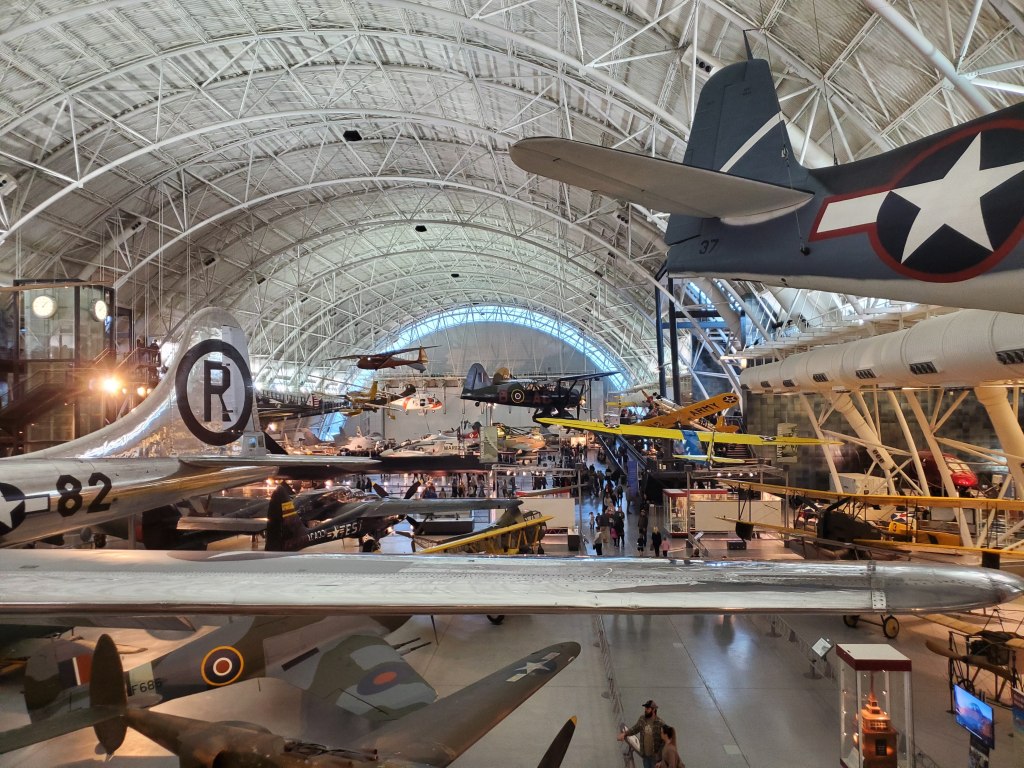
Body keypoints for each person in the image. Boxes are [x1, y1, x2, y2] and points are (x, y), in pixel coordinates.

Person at [618, 699, 665, 768]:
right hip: (645, 756)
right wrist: (625, 734)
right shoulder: (642, 719)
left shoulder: (660, 723)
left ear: (654, 710)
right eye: (645, 708)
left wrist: (661, 760)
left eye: (648, 708)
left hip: (655, 759)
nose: (645, 710)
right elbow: (635, 729)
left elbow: (665, 742)